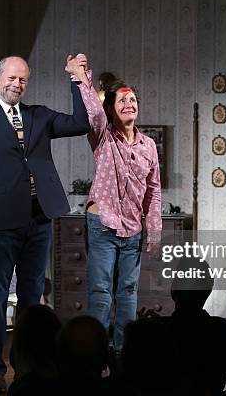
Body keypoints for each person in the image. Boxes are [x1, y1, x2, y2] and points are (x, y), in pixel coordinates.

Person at [0, 55, 90, 392]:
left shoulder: (39, 116)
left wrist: (77, 80)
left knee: (33, 296)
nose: (17, 84)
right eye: (12, 78)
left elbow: (80, 123)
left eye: (23, 80)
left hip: (39, 217)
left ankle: (28, 366)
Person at [66, 54, 162, 352]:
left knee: (129, 292)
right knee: (100, 293)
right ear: (112, 109)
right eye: (122, 101)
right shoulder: (104, 137)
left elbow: (154, 190)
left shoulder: (148, 146)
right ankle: (94, 357)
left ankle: (122, 355)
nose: (129, 104)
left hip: (132, 231)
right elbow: (94, 111)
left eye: (133, 99)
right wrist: (81, 76)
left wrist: (153, 227)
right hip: (103, 225)